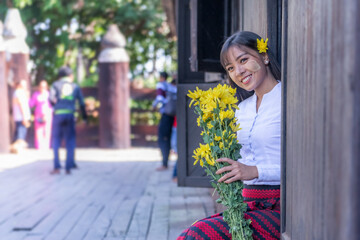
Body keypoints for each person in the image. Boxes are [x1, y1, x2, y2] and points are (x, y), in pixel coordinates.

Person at [178, 31, 281, 240]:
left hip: (282, 206)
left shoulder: (287, 99)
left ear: (265, 56)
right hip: (247, 205)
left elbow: (304, 168)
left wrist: (254, 171)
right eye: (231, 68)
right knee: (194, 230)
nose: (239, 71)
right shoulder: (241, 109)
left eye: (243, 60)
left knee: (197, 235)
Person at [49, 66, 87, 175]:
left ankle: (56, 167)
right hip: (70, 115)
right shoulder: (75, 86)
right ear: (70, 76)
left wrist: (55, 104)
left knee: (56, 141)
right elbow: (82, 103)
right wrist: (84, 118)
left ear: (60, 76)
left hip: (58, 115)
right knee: (70, 141)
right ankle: (68, 167)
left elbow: (51, 99)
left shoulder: (55, 85)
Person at [153, 72, 177, 171]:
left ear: (161, 77)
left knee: (163, 139)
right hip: (175, 116)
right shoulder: (173, 87)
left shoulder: (162, 85)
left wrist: (155, 105)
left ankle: (164, 163)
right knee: (171, 138)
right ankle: (170, 163)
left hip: (166, 115)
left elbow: (160, 98)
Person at [29, 80, 53, 150]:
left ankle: (46, 146)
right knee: (38, 131)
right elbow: (31, 104)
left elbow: (52, 104)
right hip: (38, 115)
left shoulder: (49, 94)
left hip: (47, 115)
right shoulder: (36, 95)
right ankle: (39, 146)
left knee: (47, 130)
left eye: (44, 87)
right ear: (39, 87)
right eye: (41, 87)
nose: (43, 88)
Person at [10, 79, 31, 153]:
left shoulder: (18, 92)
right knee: (20, 135)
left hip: (19, 117)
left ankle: (15, 149)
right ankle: (18, 150)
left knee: (19, 133)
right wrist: (25, 117)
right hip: (21, 117)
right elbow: (22, 105)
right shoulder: (19, 92)